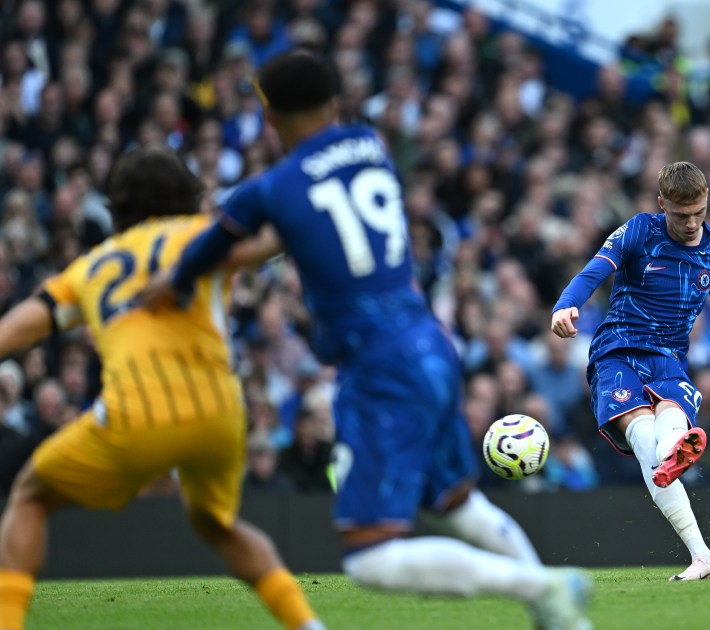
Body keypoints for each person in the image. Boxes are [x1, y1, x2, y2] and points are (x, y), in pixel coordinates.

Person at [141, 49, 592, 630]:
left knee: (370, 556)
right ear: (333, 104)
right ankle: (562, 621)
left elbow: (213, 246)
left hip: (379, 364)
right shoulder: (371, 146)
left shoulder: (269, 189)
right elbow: (304, 225)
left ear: (270, 119)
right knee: (458, 505)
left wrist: (176, 279)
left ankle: (541, 583)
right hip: (431, 342)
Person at [0, 147, 325, 630]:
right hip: (219, 414)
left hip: (137, 417)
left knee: (29, 496)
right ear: (188, 194)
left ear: (118, 206)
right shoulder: (204, 238)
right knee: (217, 523)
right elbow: (274, 239)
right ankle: (306, 624)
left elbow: (16, 331)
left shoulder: (92, 266)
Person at [551, 161, 710, 581]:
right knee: (642, 434)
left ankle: (701, 554)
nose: (691, 224)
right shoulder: (639, 231)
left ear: (707, 203)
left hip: (669, 359)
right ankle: (676, 454)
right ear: (661, 204)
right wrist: (565, 304)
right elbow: (593, 271)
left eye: (699, 214)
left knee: (658, 444)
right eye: (680, 215)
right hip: (618, 352)